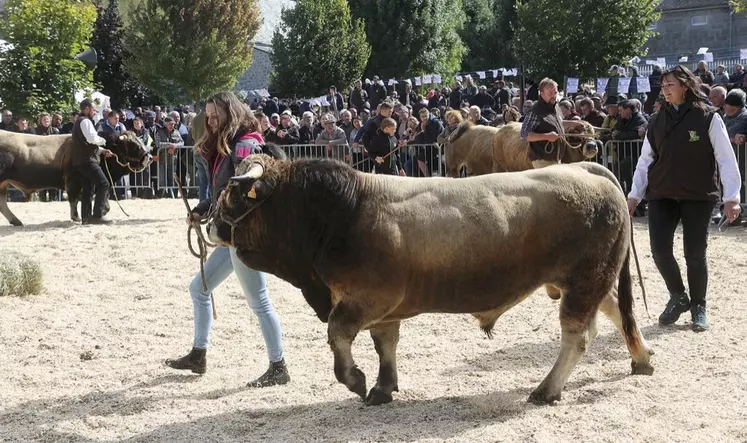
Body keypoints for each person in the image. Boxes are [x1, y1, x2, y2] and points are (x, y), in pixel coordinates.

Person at [165, 91, 290, 387]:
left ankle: (279, 366)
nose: (209, 121)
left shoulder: (245, 144)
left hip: (245, 235)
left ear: (229, 113)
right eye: (207, 116)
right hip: (230, 234)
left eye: (214, 115)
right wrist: (201, 209)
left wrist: (227, 201)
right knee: (199, 288)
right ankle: (199, 354)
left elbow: (249, 187)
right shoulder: (223, 145)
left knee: (258, 300)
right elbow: (220, 193)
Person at [627, 65, 742, 332]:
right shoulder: (656, 120)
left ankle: (699, 306)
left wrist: (732, 197)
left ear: (686, 86)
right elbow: (645, 161)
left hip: (698, 195)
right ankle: (678, 295)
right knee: (659, 250)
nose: (665, 89)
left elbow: (726, 158)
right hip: (661, 193)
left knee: (694, 253)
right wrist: (634, 195)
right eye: (663, 85)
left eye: (671, 85)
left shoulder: (708, 117)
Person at [519, 77, 586, 168]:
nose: (553, 95)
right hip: (543, 160)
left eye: (555, 92)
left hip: (555, 159)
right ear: (541, 93)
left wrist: (575, 123)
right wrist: (547, 136)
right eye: (550, 92)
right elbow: (524, 134)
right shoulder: (535, 111)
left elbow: (558, 125)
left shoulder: (553, 108)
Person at [71, 99, 115, 225]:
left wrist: (101, 150)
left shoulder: (79, 122)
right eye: (93, 109)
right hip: (88, 160)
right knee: (104, 184)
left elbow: (86, 143)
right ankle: (97, 215)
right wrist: (103, 140)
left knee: (88, 189)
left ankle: (86, 218)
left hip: (82, 160)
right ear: (86, 109)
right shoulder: (85, 121)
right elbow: (91, 139)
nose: (95, 112)